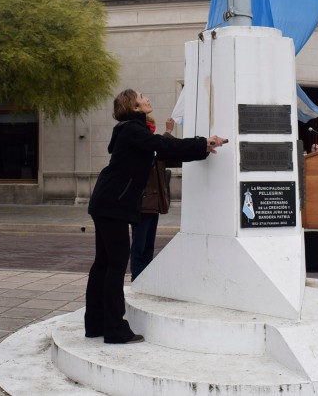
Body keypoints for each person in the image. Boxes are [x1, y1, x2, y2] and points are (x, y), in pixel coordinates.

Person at [85, 89, 225, 344]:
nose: (147, 98)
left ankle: (95, 324)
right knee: (113, 268)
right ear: (134, 107)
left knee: (103, 266)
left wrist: (202, 149)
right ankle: (115, 329)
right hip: (111, 205)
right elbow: (164, 145)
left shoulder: (133, 132)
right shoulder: (132, 131)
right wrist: (204, 142)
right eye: (141, 97)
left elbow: (165, 152)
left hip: (106, 203)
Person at [130, 116, 175, 281]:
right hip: (142, 203)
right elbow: (154, 149)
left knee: (148, 245)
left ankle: (146, 277)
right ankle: (137, 277)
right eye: (151, 127)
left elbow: (165, 151)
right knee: (139, 245)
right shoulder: (139, 144)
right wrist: (168, 132)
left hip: (154, 204)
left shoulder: (153, 146)